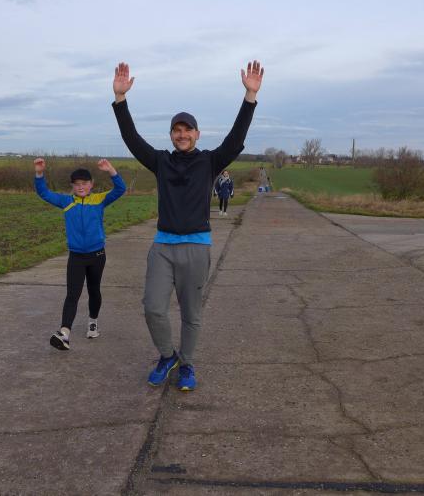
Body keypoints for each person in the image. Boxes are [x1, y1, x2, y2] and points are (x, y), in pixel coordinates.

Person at [111, 60, 264, 391]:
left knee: (191, 315)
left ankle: (188, 364)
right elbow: (131, 138)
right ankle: (168, 356)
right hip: (163, 248)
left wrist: (250, 96)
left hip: (196, 248)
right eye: (176, 130)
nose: (182, 135)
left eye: (187, 130)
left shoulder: (210, 161)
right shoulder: (161, 161)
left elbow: (236, 138)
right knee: (153, 308)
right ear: (171, 135)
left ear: (197, 134)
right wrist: (120, 100)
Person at [33, 157, 126, 350]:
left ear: (91, 184)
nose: (81, 187)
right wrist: (39, 173)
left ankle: (93, 322)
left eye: (84, 183)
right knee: (72, 294)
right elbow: (44, 192)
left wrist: (111, 170)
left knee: (94, 290)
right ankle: (64, 333)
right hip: (76, 256)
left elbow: (120, 189)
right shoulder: (66, 202)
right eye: (76, 184)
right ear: (72, 186)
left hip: (97, 255)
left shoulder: (99, 200)